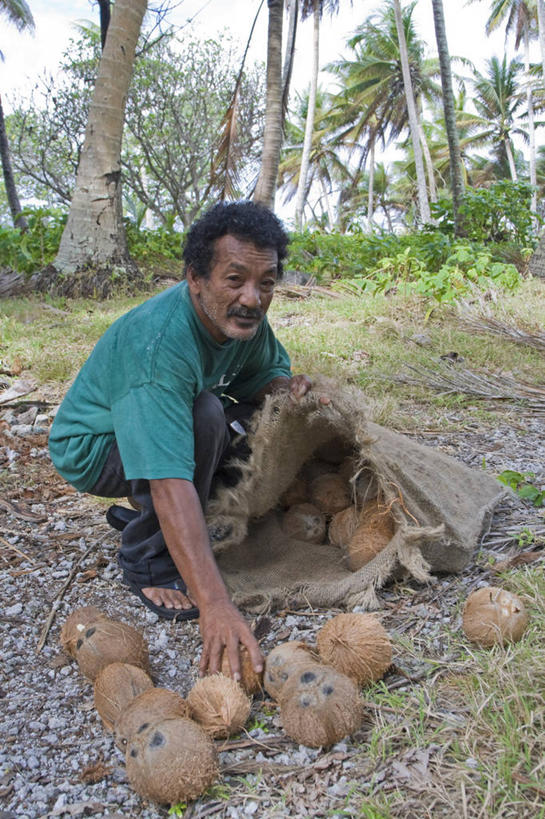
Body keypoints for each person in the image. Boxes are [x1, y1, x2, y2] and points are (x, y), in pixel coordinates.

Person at [48, 201, 312, 681]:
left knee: (238, 417)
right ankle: (147, 559)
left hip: (164, 419)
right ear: (195, 277)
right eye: (235, 279)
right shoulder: (159, 347)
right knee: (206, 416)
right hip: (92, 447)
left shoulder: (245, 320)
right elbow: (170, 479)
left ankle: (171, 520)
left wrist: (287, 392)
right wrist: (216, 604)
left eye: (266, 283)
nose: (252, 298)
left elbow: (265, 377)